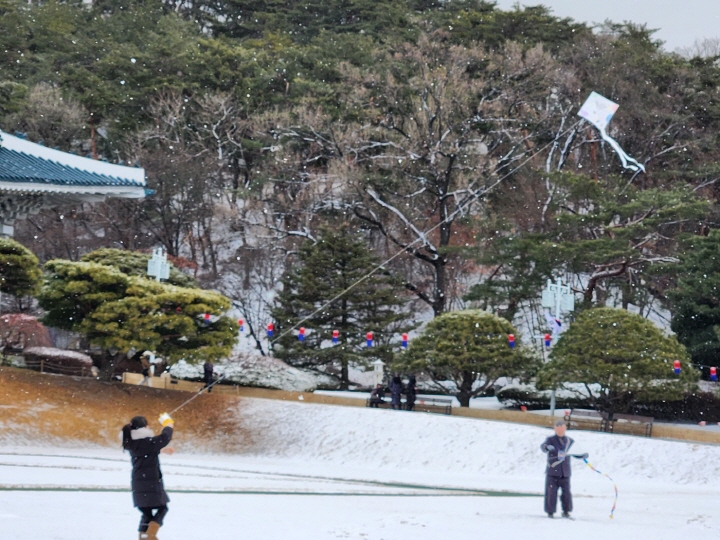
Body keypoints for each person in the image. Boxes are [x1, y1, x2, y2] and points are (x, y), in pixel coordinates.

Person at [122, 413, 174, 539]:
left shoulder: (131, 443)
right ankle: (150, 536)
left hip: (138, 483)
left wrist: (161, 450)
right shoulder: (148, 443)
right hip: (150, 482)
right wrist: (168, 424)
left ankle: (144, 536)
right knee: (162, 509)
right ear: (144, 428)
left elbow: (146, 450)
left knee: (146, 513)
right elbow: (165, 437)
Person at [541, 418, 574, 519]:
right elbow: (543, 446)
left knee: (566, 493)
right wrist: (547, 448)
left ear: (565, 428)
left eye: (562, 428)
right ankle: (550, 511)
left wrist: (582, 455)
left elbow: (576, 451)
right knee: (551, 493)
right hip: (553, 471)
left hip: (565, 472)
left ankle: (566, 511)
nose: (559, 430)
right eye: (557, 428)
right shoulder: (550, 440)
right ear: (554, 428)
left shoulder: (569, 441)